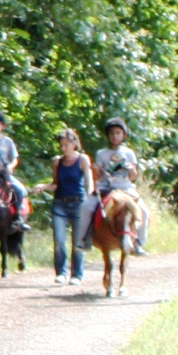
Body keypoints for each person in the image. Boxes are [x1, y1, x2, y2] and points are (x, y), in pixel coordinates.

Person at [77, 117, 149, 254]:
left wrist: (131, 170)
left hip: (125, 189)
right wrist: (96, 171)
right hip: (106, 188)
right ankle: (83, 240)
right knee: (86, 207)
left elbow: (133, 176)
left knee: (143, 211)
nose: (115, 136)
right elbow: (98, 177)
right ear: (107, 136)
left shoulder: (128, 153)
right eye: (111, 133)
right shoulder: (102, 153)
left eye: (118, 133)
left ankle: (139, 242)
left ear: (123, 135)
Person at [31, 128, 94, 285]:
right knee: (59, 240)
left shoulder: (82, 160)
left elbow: (89, 181)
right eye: (61, 145)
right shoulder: (57, 162)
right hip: (60, 204)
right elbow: (55, 184)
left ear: (74, 144)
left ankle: (77, 275)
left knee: (77, 241)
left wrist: (90, 195)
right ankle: (61, 272)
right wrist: (43, 187)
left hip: (78, 203)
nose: (63, 148)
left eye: (66, 144)